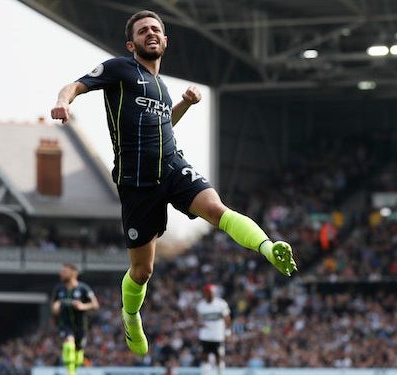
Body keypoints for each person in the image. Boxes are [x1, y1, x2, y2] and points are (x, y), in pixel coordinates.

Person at [51, 10, 297, 356]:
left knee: (216, 208)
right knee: (142, 271)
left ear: (165, 41)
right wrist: (63, 102)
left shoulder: (163, 89)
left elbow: (163, 126)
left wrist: (182, 104)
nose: (150, 33)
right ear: (131, 43)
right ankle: (131, 315)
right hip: (136, 182)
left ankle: (270, 248)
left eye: (156, 30)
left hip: (172, 166)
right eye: (143, 31)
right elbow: (75, 85)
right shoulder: (120, 69)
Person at [51, 263, 99, 375]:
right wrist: (56, 306)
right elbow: (53, 308)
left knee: (78, 353)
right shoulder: (59, 289)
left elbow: (95, 305)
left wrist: (83, 306)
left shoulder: (83, 288)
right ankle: (70, 373)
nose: (61, 273)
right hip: (65, 324)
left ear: (74, 273)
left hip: (81, 326)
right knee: (69, 343)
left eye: (64, 271)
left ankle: (75, 367)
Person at [196, 284, 231, 375]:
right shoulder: (201, 305)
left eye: (212, 293)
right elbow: (198, 320)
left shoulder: (221, 304)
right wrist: (199, 324)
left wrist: (227, 332)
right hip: (205, 335)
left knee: (219, 357)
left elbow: (227, 319)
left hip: (218, 335)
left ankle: (220, 373)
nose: (210, 295)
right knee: (204, 356)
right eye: (208, 293)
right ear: (205, 293)